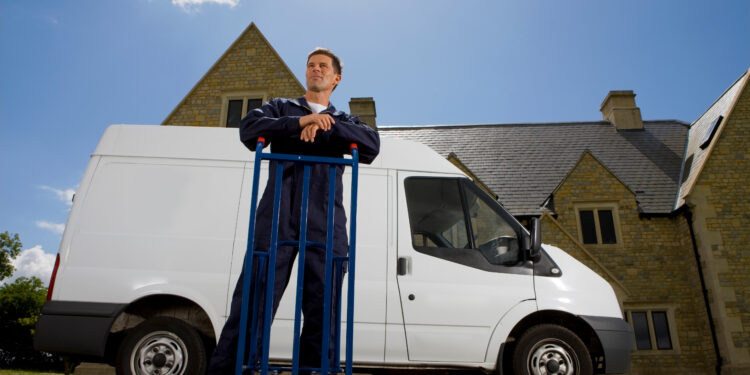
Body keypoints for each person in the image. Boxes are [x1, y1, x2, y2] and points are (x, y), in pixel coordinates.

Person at [208, 47, 380, 374]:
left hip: (326, 220)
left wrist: (325, 123)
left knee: (322, 310)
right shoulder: (279, 107)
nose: (315, 70)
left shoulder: (346, 119)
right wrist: (300, 120)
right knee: (253, 302)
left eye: (323, 66)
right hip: (277, 214)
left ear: (336, 78)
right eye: (311, 65)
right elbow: (249, 129)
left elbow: (371, 145)